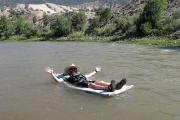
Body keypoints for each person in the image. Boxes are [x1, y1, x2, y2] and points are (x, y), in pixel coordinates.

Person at [46, 64, 126, 92]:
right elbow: (58, 81)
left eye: (74, 68)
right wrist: (52, 73)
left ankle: (116, 85)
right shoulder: (67, 76)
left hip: (86, 81)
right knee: (92, 85)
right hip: (81, 84)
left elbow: (88, 75)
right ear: (69, 70)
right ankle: (108, 88)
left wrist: (95, 71)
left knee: (99, 81)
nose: (73, 69)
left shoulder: (79, 73)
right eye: (71, 69)